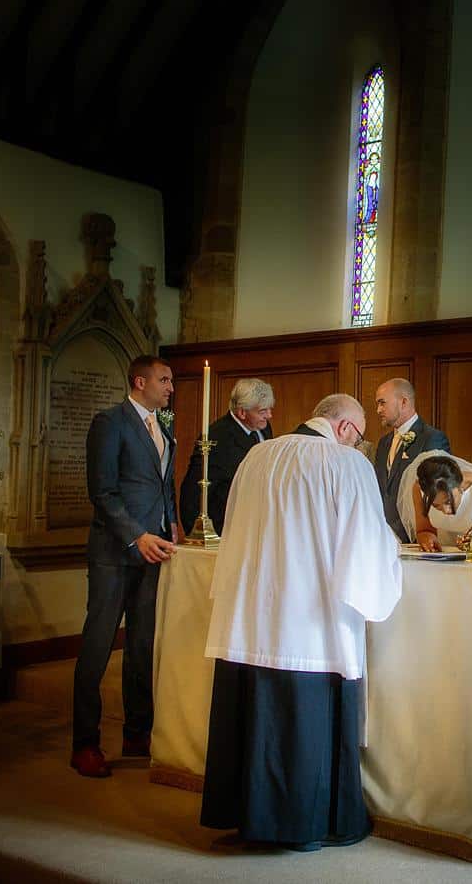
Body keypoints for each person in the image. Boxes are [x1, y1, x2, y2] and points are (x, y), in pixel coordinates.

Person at [200, 394, 401, 851]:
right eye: (361, 434)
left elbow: (230, 526)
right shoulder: (346, 464)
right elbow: (366, 541)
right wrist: (393, 557)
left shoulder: (257, 455)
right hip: (313, 620)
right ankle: (310, 824)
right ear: (346, 428)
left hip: (252, 614)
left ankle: (247, 816)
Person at [71, 354, 179, 779]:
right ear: (140, 381)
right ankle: (85, 743)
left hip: (154, 553)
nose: (171, 387)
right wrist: (136, 535)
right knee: (97, 648)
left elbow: (163, 487)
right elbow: (102, 491)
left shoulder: (162, 429)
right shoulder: (109, 422)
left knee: (142, 647)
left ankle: (137, 733)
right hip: (114, 553)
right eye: (164, 380)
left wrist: (173, 527)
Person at [178, 378, 274, 535]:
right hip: (228, 527)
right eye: (263, 411)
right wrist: (197, 534)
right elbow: (193, 491)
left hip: (257, 523)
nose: (269, 415)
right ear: (242, 412)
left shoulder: (263, 427)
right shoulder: (216, 438)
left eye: (269, 409)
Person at [372, 378, 449, 542]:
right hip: (385, 537)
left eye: (382, 403)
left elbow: (437, 491)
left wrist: (425, 533)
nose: (378, 410)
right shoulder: (384, 443)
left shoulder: (432, 438)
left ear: (404, 402)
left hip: (418, 537)